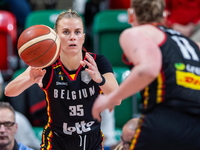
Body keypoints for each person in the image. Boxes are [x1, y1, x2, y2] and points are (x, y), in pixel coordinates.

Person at [92, 0, 200, 149]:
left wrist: (111, 98)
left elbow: (148, 69)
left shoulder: (137, 33)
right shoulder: (191, 44)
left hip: (166, 120)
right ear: (164, 16)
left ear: (131, 15)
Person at [5, 9, 119, 150]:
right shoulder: (46, 63)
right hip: (57, 142)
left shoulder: (98, 62)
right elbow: (9, 91)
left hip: (91, 142)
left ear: (83, 38)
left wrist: (99, 79)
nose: (72, 37)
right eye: (66, 32)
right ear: (56, 37)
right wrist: (30, 78)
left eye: (77, 32)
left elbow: (117, 98)